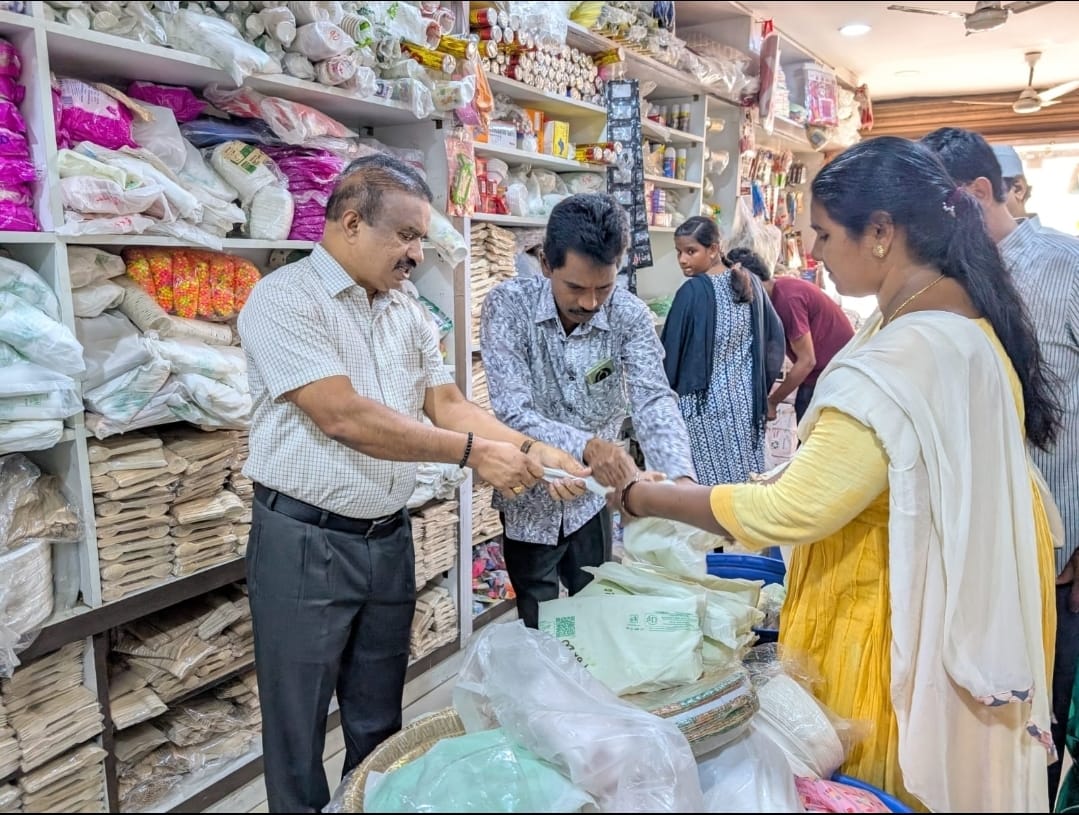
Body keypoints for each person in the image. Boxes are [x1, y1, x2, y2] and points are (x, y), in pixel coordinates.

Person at [606, 136, 1062, 812]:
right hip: (938, 575)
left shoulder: (907, 347)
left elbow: (792, 510)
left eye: (821, 232)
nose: (811, 249)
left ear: (879, 231)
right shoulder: (948, 309)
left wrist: (643, 495)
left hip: (884, 604)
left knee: (873, 782)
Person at [238, 154, 585, 812]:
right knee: (297, 727)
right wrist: (471, 452)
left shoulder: (406, 311)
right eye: (404, 235)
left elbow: (448, 403)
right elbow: (341, 415)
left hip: (385, 540)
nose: (416, 253)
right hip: (304, 540)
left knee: (377, 720)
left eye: (421, 237)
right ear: (348, 223)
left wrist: (537, 449)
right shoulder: (284, 299)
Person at [920, 126, 1079, 804]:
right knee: (977, 735)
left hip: (1056, 565)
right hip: (970, 562)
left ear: (976, 192)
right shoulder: (945, 279)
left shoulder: (1063, 269)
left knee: (1035, 733)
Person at [479, 193, 695, 629]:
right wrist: (588, 446)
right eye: (575, 287)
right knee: (538, 624)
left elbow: (653, 397)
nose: (591, 302)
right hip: (529, 497)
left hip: (593, 500)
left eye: (604, 287)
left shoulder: (629, 316)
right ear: (545, 263)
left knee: (594, 612)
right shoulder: (507, 307)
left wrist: (679, 480)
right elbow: (511, 411)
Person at [660, 216, 785, 485]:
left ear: (714, 249)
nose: (683, 259)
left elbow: (670, 354)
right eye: (679, 252)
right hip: (744, 407)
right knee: (745, 483)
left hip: (702, 409)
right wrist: (759, 393)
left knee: (707, 490)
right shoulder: (750, 281)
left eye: (691, 251)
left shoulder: (692, 292)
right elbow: (774, 341)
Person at [729, 247, 854, 422]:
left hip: (832, 378)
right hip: (824, 374)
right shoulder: (777, 292)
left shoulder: (787, 300)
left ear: (752, 282)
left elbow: (807, 361)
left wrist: (772, 402)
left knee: (809, 436)